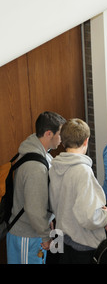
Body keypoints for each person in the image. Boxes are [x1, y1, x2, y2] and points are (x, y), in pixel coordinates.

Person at [49, 118, 107, 264]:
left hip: (64, 240)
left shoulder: (54, 168)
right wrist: (105, 216)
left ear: (63, 142)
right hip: (84, 245)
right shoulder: (83, 171)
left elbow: (54, 205)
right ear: (86, 141)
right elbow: (88, 217)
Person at [7, 111, 66, 264]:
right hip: (27, 235)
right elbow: (33, 209)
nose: (62, 139)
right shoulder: (36, 168)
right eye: (59, 134)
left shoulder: (41, 152)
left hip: (34, 231)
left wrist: (48, 219)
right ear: (48, 134)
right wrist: (46, 236)